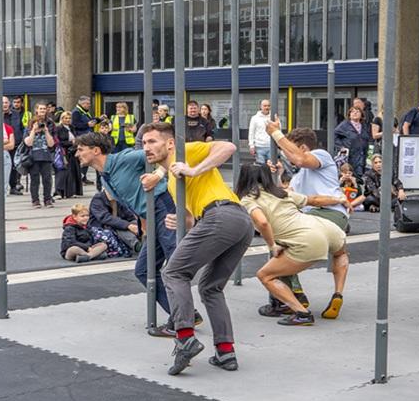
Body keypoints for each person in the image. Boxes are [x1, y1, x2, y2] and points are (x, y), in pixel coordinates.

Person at [139, 122, 251, 374]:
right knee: (210, 288)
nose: (147, 148)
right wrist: (181, 221)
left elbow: (228, 146)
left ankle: (185, 337)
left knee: (173, 273)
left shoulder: (185, 152)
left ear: (169, 143)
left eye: (152, 141)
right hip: (237, 221)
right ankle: (226, 352)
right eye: (144, 143)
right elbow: (192, 219)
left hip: (222, 214)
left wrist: (193, 169)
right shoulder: (170, 181)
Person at [76, 132, 196, 337]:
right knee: (142, 270)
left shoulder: (125, 159)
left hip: (164, 208)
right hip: (151, 217)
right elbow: (135, 201)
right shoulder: (105, 177)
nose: (77, 153)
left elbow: (170, 152)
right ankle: (186, 315)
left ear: (96, 150)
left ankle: (181, 321)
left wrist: (157, 175)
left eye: (80, 149)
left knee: (174, 266)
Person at [235, 164, 349, 327]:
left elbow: (262, 222)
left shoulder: (248, 200)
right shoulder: (282, 193)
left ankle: (301, 313)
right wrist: (339, 199)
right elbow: (314, 200)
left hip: (306, 239)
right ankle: (338, 293)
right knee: (340, 254)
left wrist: (272, 245)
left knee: (265, 275)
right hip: (325, 228)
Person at [265, 120, 350, 317]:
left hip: (319, 215)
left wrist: (277, 135)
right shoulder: (298, 176)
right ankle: (338, 294)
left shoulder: (321, 156)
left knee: (281, 243)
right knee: (339, 252)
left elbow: (301, 159)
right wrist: (277, 175)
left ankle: (296, 293)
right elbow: (286, 195)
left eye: (290, 149)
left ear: (303, 147)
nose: (287, 154)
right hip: (337, 216)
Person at [88, 189, 139, 257]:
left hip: (119, 223)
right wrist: (128, 225)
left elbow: (129, 215)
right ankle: (137, 245)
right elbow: (105, 218)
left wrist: (136, 224)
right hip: (102, 227)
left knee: (137, 223)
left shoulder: (119, 198)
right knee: (119, 226)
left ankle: (146, 241)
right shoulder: (98, 199)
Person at [24, 104, 57, 208]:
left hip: (46, 156)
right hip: (33, 157)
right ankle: (35, 200)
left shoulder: (50, 124)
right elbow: (28, 143)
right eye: (40, 108)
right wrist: (33, 131)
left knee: (47, 179)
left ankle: (47, 199)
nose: (43, 110)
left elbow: (51, 144)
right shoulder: (29, 129)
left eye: (44, 109)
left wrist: (46, 131)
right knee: (35, 180)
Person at [334, 106, 372, 177]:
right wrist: (341, 147)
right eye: (353, 111)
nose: (355, 113)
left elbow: (368, 139)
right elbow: (335, 136)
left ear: (361, 115)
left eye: (357, 111)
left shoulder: (364, 126)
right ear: (349, 115)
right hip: (350, 157)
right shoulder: (344, 125)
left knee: (360, 177)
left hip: (362, 157)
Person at [54, 110, 81, 199]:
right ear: (62, 119)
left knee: (72, 172)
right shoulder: (58, 128)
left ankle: (71, 192)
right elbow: (58, 141)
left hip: (73, 152)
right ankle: (59, 192)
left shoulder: (72, 127)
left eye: (69, 118)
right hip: (63, 152)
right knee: (62, 172)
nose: (68, 120)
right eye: (66, 118)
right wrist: (70, 142)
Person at [248, 99, 273, 166]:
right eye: (265, 106)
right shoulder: (254, 118)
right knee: (260, 168)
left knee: (272, 168)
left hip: (271, 146)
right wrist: (251, 146)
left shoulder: (273, 117)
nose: (267, 107)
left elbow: (278, 130)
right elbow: (251, 133)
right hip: (259, 147)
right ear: (260, 107)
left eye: (268, 106)